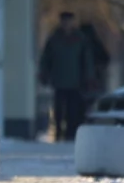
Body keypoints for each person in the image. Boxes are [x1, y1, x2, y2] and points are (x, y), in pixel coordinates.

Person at [38, 11, 95, 141]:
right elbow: (46, 58)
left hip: (76, 81)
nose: (66, 24)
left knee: (73, 109)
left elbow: (87, 60)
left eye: (69, 21)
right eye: (64, 21)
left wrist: (89, 78)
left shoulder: (80, 38)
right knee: (58, 110)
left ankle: (70, 134)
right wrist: (44, 73)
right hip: (58, 80)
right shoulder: (54, 39)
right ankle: (58, 132)